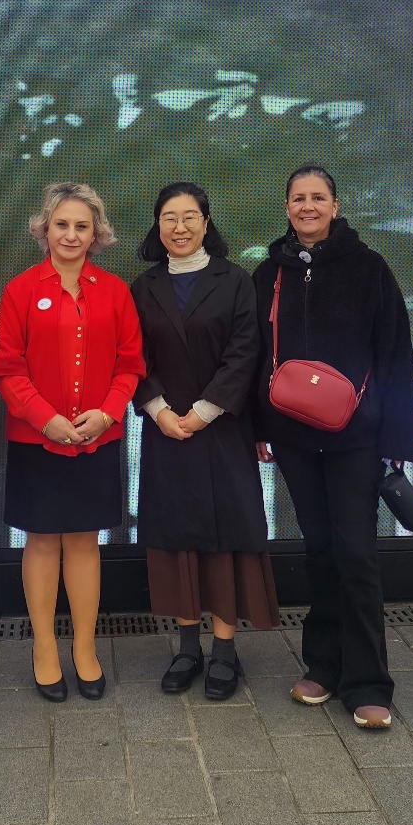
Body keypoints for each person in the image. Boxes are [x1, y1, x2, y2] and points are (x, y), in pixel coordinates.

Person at [253, 164, 413, 730]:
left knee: (356, 555)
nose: (308, 206)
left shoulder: (370, 269)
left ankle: (368, 682)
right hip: (293, 439)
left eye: (318, 197)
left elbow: (395, 354)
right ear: (286, 207)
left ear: (335, 205)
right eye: (298, 198)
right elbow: (257, 355)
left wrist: (397, 437)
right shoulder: (268, 273)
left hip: (356, 440)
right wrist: (259, 428)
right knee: (319, 552)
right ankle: (323, 665)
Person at [0, 183, 144, 702]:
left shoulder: (116, 291)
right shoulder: (20, 290)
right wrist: (45, 419)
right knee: (42, 541)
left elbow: (130, 364)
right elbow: (6, 368)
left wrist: (108, 412)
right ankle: (44, 648)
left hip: (98, 436)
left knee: (83, 541)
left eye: (82, 226)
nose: (71, 235)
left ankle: (84, 648)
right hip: (37, 439)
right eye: (62, 225)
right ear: (44, 229)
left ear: (96, 234)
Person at [131, 182, 279, 701]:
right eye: (169, 217)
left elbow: (246, 353)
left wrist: (201, 413)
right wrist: (159, 411)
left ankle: (225, 651)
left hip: (222, 430)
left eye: (190, 216)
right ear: (157, 226)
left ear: (206, 222)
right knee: (177, 540)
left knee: (225, 540)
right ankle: (187, 648)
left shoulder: (235, 280)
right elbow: (132, 357)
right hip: (165, 430)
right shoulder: (142, 286)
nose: (179, 227)